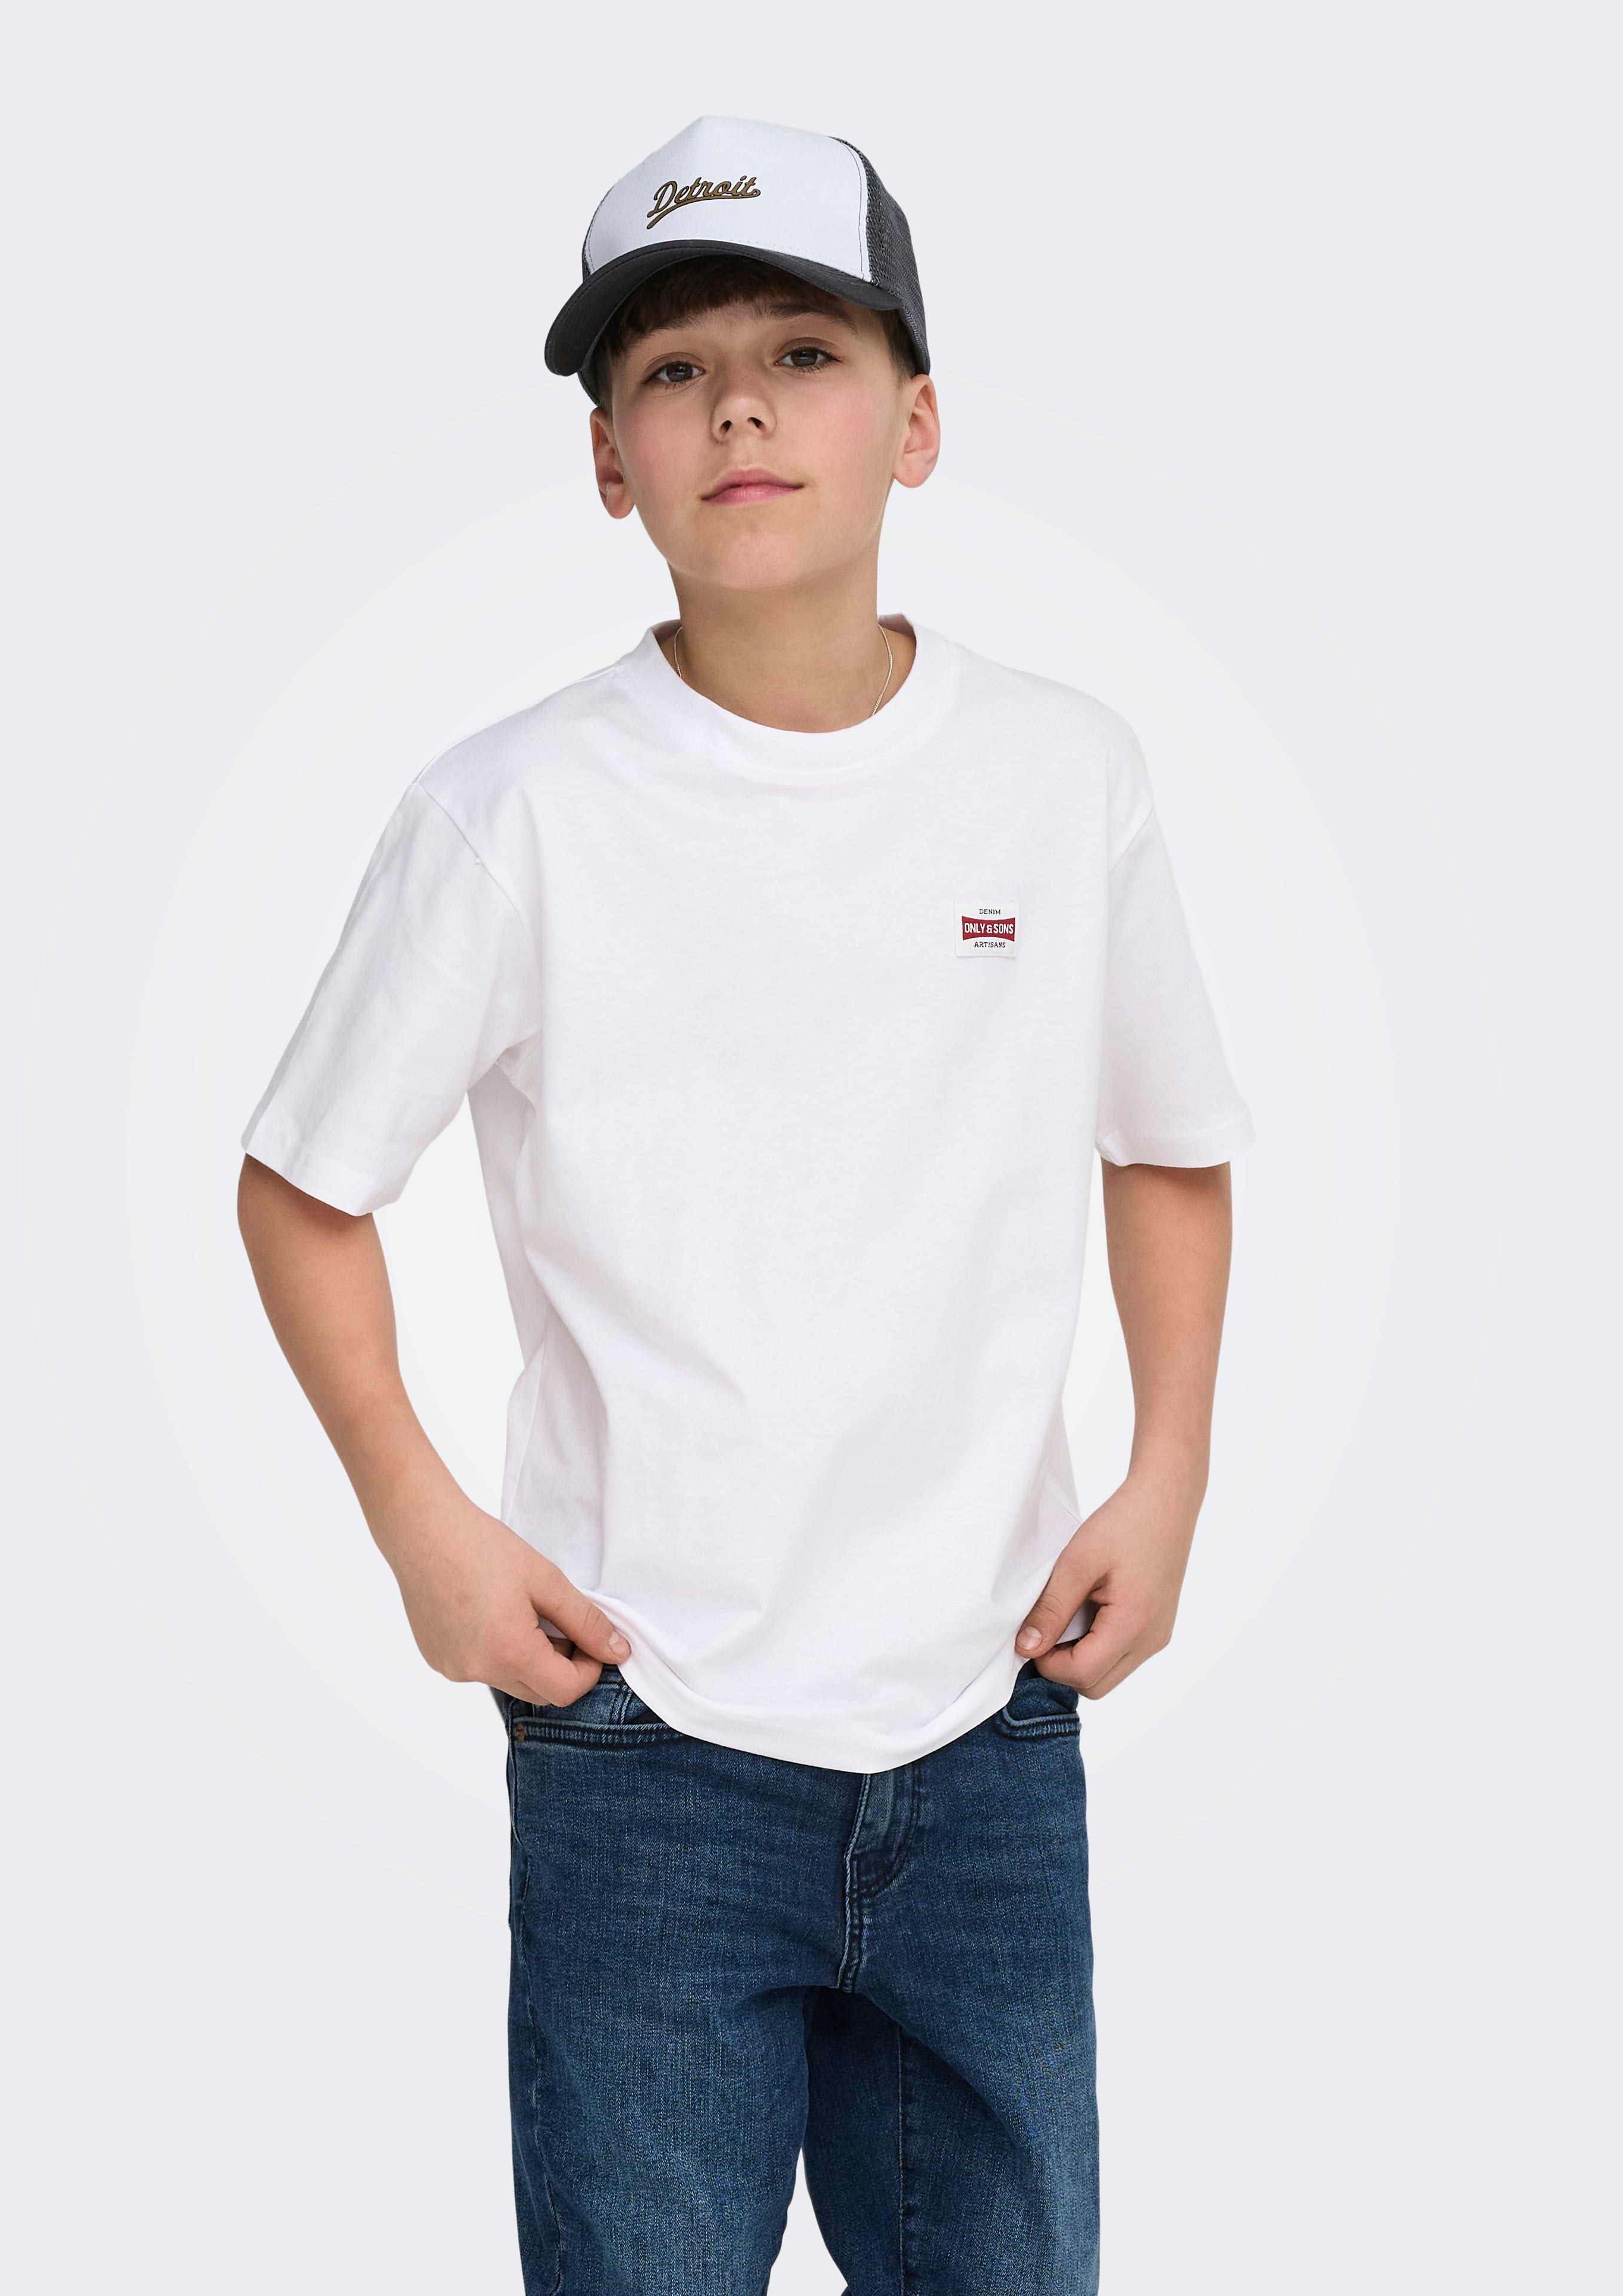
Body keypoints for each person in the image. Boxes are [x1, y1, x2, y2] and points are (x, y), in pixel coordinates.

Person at [237, 115, 1253, 2296]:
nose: (740, 412)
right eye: (673, 374)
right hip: (645, 1732)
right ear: (611, 464)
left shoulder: (1064, 777)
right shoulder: (513, 813)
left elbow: (1169, 1140)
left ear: (918, 423)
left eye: (802, 352)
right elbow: (303, 1183)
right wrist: (425, 1527)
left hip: (993, 1709)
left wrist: (1169, 1470)